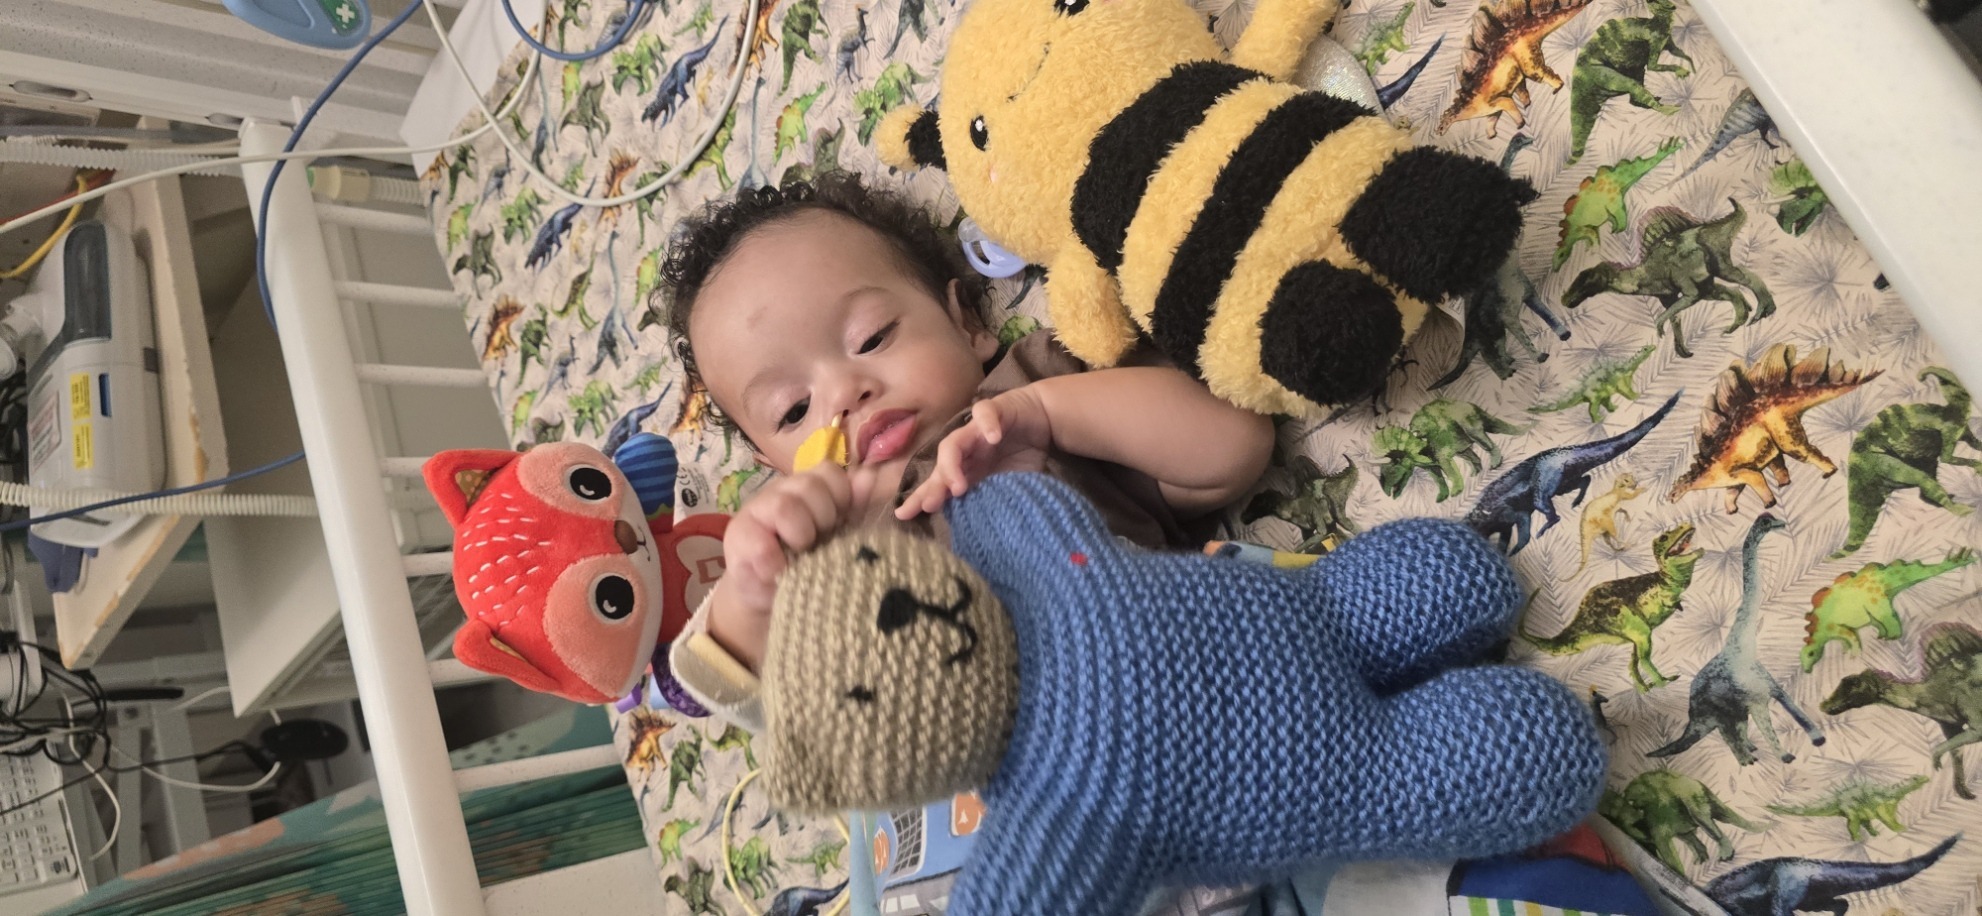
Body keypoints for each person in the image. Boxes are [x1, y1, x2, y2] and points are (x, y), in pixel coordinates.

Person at [660, 176, 1274, 723]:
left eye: (871, 337)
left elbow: (1236, 442)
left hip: (1202, 698)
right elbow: (765, 709)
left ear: (967, 325)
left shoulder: (1035, 395)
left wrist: (1048, 416)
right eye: (794, 410)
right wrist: (750, 595)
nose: (845, 395)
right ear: (775, 466)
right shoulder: (823, 566)